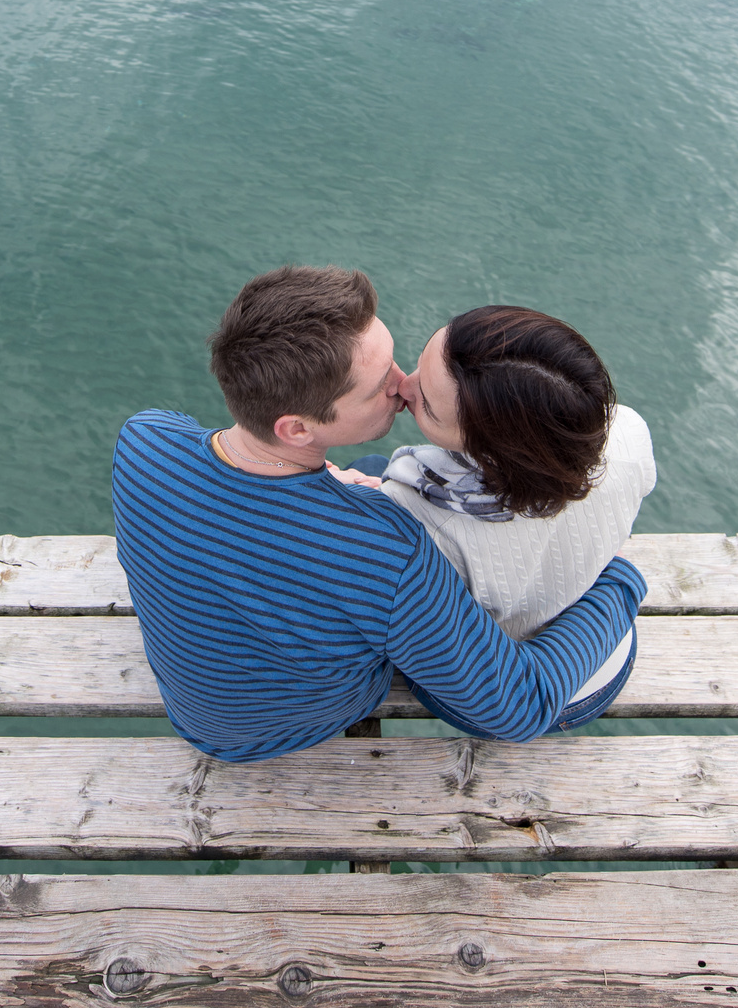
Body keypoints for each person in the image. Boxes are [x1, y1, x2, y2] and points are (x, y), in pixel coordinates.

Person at [111, 266, 645, 763]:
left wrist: (315, 483)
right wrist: (619, 581)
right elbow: (518, 706)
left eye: (392, 356)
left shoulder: (142, 439)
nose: (401, 384)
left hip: (200, 702)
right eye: (377, 386)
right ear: (297, 429)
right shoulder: (391, 550)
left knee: (367, 468)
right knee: (374, 500)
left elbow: (234, 490)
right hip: (281, 728)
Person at [333, 306, 654, 714]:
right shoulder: (627, 431)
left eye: (428, 406)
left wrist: (354, 505)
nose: (403, 387)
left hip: (542, 690)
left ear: (491, 452)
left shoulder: (417, 524)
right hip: (612, 660)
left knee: (367, 472)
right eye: (419, 366)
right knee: (376, 473)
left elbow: (500, 694)